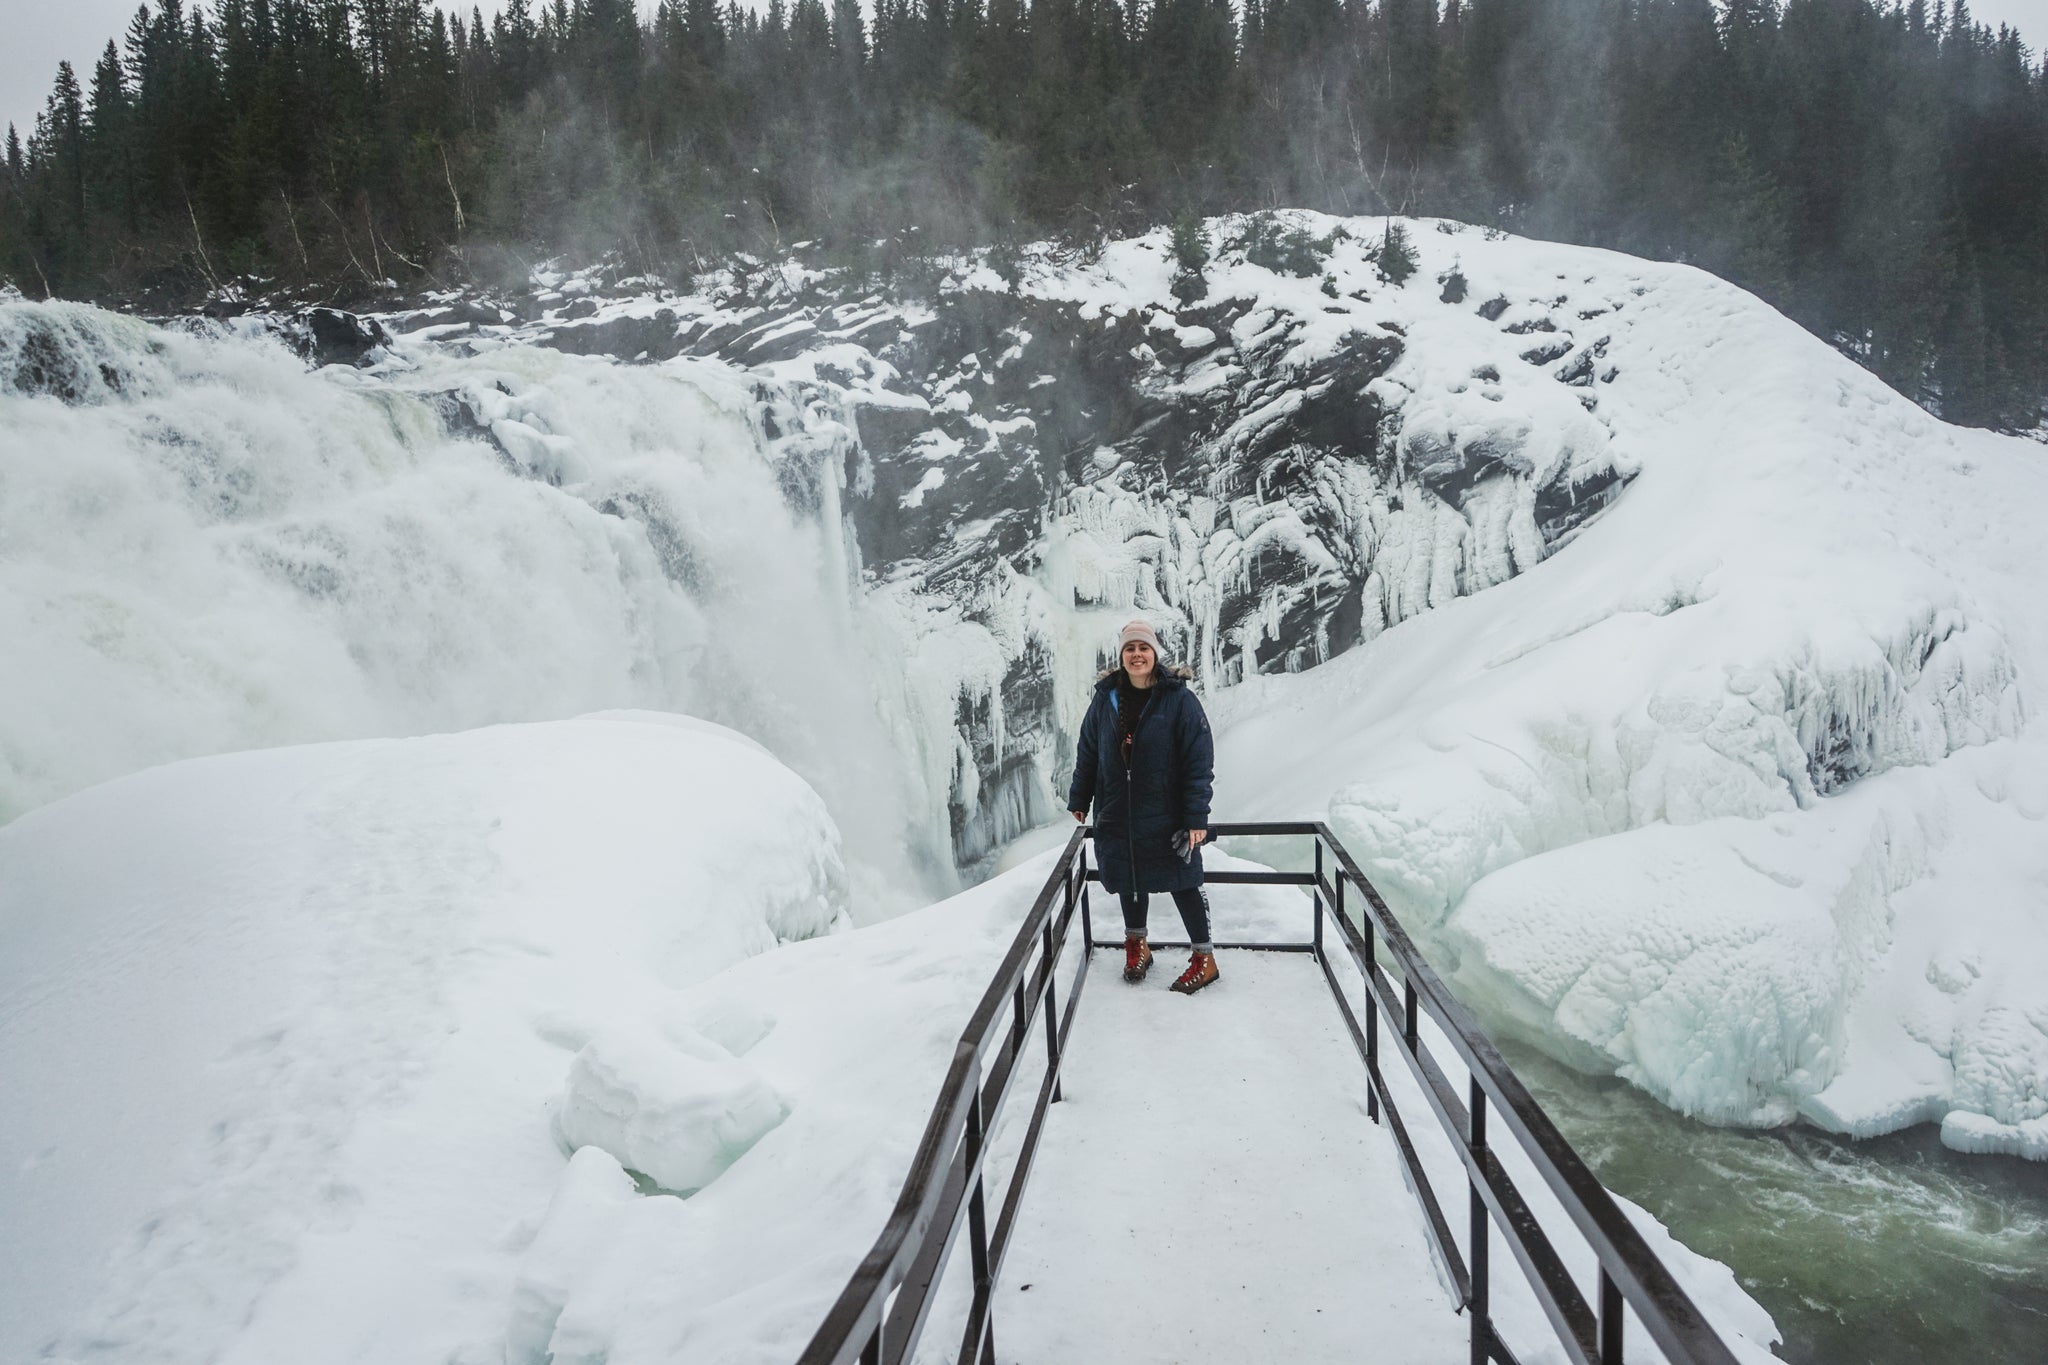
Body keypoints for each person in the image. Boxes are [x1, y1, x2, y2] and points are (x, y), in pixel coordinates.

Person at [1067, 619, 1219, 994]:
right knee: (1130, 881)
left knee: (1184, 882)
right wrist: (1080, 797)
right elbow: (1089, 752)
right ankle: (1137, 946)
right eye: (1130, 649)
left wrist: (1196, 816)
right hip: (1117, 810)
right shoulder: (1105, 700)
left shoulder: (1178, 699)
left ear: (1155, 654)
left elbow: (1198, 760)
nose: (1137, 655)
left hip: (1166, 811)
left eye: (1143, 648)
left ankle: (1205, 959)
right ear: (1121, 656)